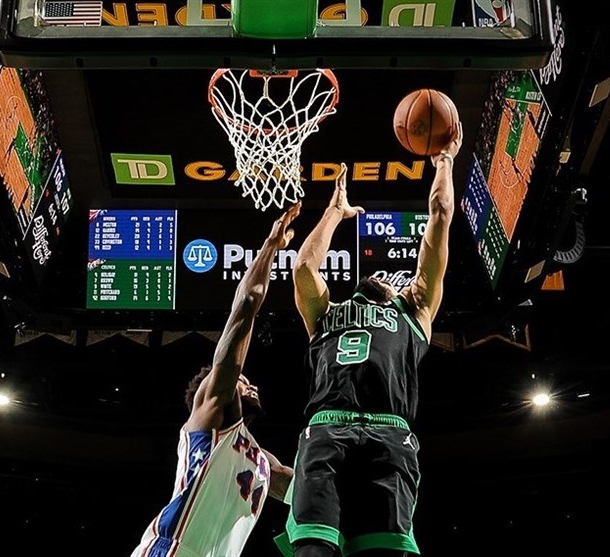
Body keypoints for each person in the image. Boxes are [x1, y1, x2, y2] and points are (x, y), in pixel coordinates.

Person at [276, 123, 463, 557]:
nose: (381, 278)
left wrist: (444, 162)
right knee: (312, 550)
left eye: (390, 279)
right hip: (327, 429)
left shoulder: (414, 309)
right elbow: (303, 269)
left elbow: (440, 215)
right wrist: (334, 213)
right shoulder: (325, 313)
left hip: (389, 433)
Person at [131, 202, 300, 557]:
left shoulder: (260, 458)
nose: (251, 385)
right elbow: (246, 305)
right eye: (243, 380)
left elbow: (295, 486)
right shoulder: (210, 414)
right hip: (174, 549)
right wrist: (270, 246)